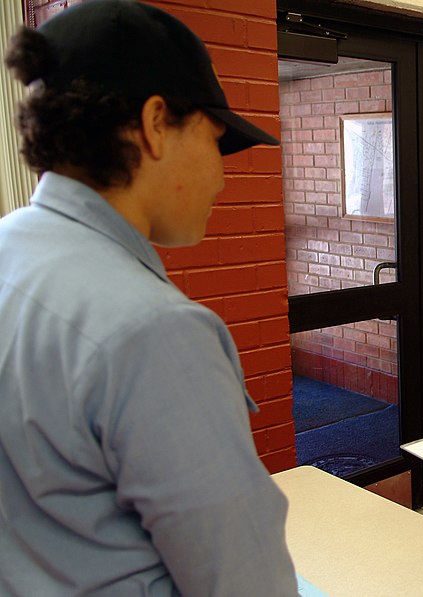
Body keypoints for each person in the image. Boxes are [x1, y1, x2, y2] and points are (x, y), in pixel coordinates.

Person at [0, 1, 298, 594]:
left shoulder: (9, 252)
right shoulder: (154, 331)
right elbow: (242, 580)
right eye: (216, 142)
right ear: (156, 123)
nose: (220, 176)